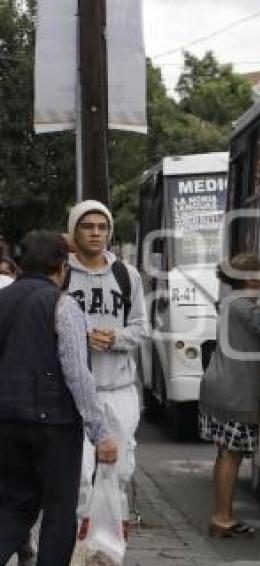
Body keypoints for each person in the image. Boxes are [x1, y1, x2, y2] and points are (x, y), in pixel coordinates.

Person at [0, 230, 118, 566]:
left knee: (14, 505)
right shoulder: (63, 304)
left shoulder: (3, 301)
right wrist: (101, 433)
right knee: (59, 510)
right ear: (62, 267)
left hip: (6, 421)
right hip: (54, 424)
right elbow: (77, 374)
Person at [65, 200, 148, 540]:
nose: (96, 233)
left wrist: (115, 337)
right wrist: (78, 338)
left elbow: (142, 328)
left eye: (102, 227)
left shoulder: (126, 275)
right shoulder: (63, 273)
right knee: (80, 474)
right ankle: (77, 544)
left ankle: (109, 544)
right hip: (73, 391)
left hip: (119, 388)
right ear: (74, 230)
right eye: (88, 226)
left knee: (120, 469)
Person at [199, 253, 260, 538]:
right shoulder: (239, 305)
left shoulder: (233, 303)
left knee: (226, 453)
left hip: (223, 388)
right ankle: (222, 518)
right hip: (234, 391)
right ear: (250, 278)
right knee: (231, 455)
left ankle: (222, 515)